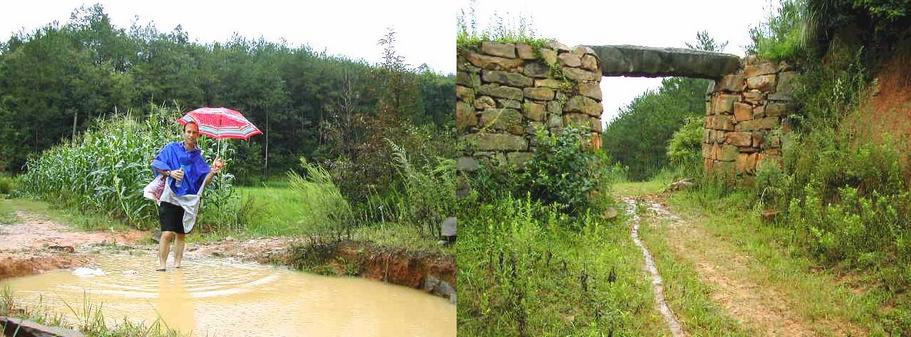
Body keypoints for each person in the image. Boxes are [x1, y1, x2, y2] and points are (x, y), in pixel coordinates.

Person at [151, 121, 224, 271]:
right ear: (184, 133)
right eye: (188, 132)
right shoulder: (171, 149)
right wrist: (170, 172)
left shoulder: (198, 158)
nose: (191, 135)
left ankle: (177, 265)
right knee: (167, 233)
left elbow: (205, 181)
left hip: (187, 200)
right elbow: (157, 164)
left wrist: (214, 170)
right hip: (170, 195)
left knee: (181, 233)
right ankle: (162, 266)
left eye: (194, 133)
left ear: (198, 135)